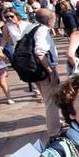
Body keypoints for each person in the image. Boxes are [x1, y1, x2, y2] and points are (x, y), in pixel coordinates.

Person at [33, 9, 62, 138]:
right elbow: (40, 53)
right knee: (52, 101)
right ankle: (55, 132)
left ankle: (55, 123)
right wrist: (51, 71)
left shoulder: (32, 27)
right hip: (44, 70)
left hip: (35, 70)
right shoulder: (42, 31)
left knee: (48, 100)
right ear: (51, 19)